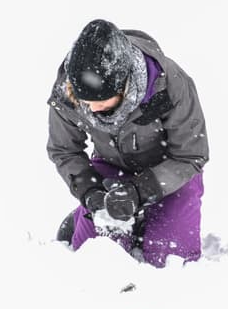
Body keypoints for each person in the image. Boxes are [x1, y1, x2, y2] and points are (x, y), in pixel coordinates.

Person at [47, 19, 209, 268]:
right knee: (95, 258)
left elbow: (190, 155)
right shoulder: (67, 90)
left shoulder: (169, 83)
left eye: (101, 101)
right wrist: (89, 191)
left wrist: (140, 190)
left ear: (124, 85)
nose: (91, 109)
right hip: (111, 169)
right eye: (84, 101)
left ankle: (149, 219)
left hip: (172, 174)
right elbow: (64, 149)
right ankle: (88, 220)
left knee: (168, 260)